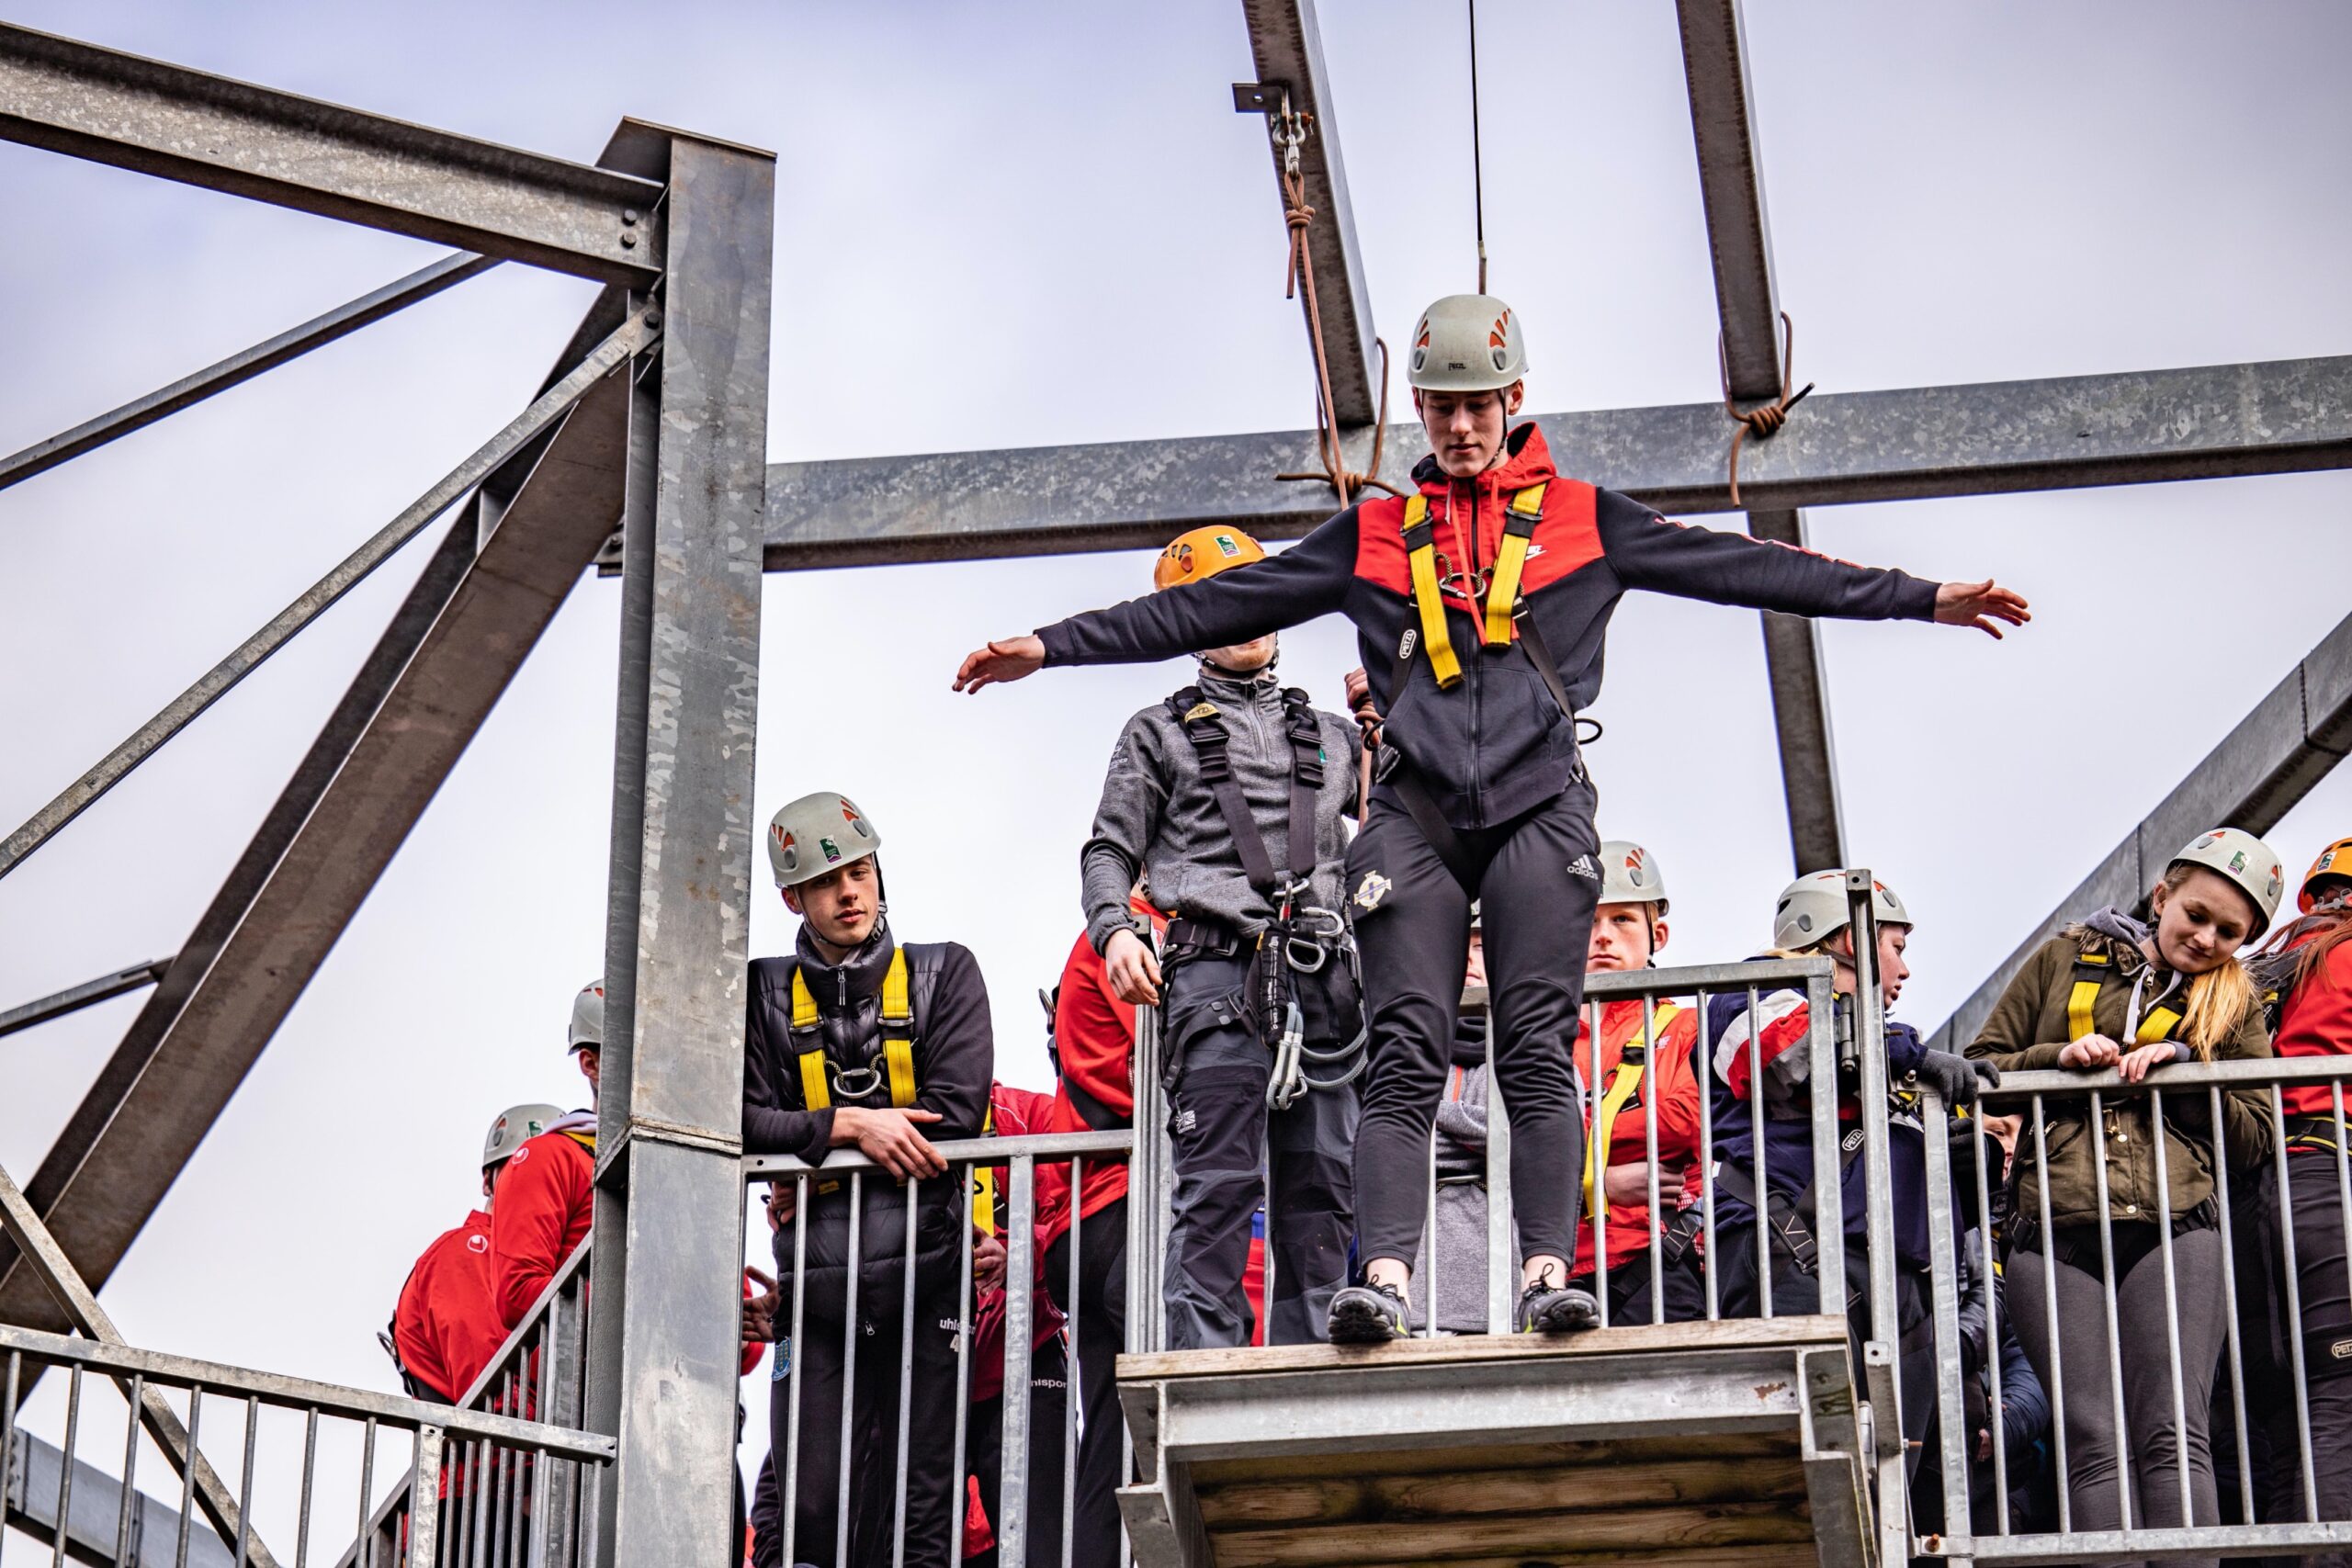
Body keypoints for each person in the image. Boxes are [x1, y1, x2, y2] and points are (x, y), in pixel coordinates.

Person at [953, 291, 2029, 1342]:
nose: (1460, 429)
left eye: (1478, 407)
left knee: (1530, 1047)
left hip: (1538, 810)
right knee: (1403, 1049)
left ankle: (1547, 1274)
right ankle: (1380, 1281)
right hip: (1416, 814)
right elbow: (1205, 605)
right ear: (1416, 408)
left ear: (1515, 398)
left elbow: (1749, 568)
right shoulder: (1373, 534)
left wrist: (1921, 596)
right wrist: (1048, 645)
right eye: (1438, 408)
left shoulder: (1583, 520)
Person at [1064, 525, 1364, 1350]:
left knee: (1323, 1192)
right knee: (1219, 1187)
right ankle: (1206, 1377)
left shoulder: (1340, 736)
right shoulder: (1155, 733)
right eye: (1221, 602)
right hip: (1216, 977)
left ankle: (1317, 1378)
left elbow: (1402, 841)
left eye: (1259, 595)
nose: (1246, 617)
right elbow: (1110, 849)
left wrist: (1401, 728)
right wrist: (1116, 930)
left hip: (1324, 981)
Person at [1965, 828, 2283, 1562]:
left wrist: (2185, 1069)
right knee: (2091, 1434)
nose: (2205, 938)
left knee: (2172, 1429)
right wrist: (2060, 1057)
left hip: (2176, 1227)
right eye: (2195, 915)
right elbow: (1980, 1066)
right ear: (2163, 896)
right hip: (2055, 1231)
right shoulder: (2062, 957)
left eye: (2228, 931)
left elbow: (2255, 1135)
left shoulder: (2235, 1005)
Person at [741, 791, 993, 1568]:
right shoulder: (764, 992)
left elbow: (956, 1109)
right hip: (817, 1294)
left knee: (924, 1502)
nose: (849, 892)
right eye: (827, 882)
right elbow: (735, 1116)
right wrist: (851, 1126)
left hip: (929, 1278)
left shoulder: (943, 972)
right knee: (810, 1501)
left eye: (859, 871)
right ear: (795, 898)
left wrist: (806, 1144)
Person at [1707, 870, 1995, 1477]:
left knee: (1891, 1499)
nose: (1905, 970)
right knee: (1795, 1478)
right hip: (1790, 1257)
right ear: (1849, 939)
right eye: (1897, 947)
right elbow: (1793, 1056)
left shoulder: (1888, 1058)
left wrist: (1963, 1162)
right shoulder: (1751, 992)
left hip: (1897, 1286)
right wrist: (1909, 1054)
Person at [2245, 835, 2352, 1551]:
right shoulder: (2344, 956)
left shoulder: (2268, 964)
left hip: (2252, 1200)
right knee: (2343, 1403)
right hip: (2329, 1179)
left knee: (2288, 1423)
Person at [1571, 841, 1703, 1325]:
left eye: (1622, 919)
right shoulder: (1537, 1033)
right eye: (1589, 920)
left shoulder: (1685, 1026)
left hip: (1656, 1260)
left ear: (1658, 934)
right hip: (1546, 1268)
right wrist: (1601, 1182)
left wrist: (1563, 1137)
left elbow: (1684, 1123)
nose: (1603, 936)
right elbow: (1502, 1140)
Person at [389, 1102, 562, 1405]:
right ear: (487, 1182)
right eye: (518, 1168)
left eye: (550, 1172)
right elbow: (495, 1400)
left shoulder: (554, 1264)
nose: (533, 1181)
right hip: (498, 1450)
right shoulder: (465, 1253)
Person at [487, 986, 605, 1331]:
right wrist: (639, 1302)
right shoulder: (553, 1157)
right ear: (590, 1062)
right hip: (593, 1375)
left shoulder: (686, 1168)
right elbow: (518, 1294)